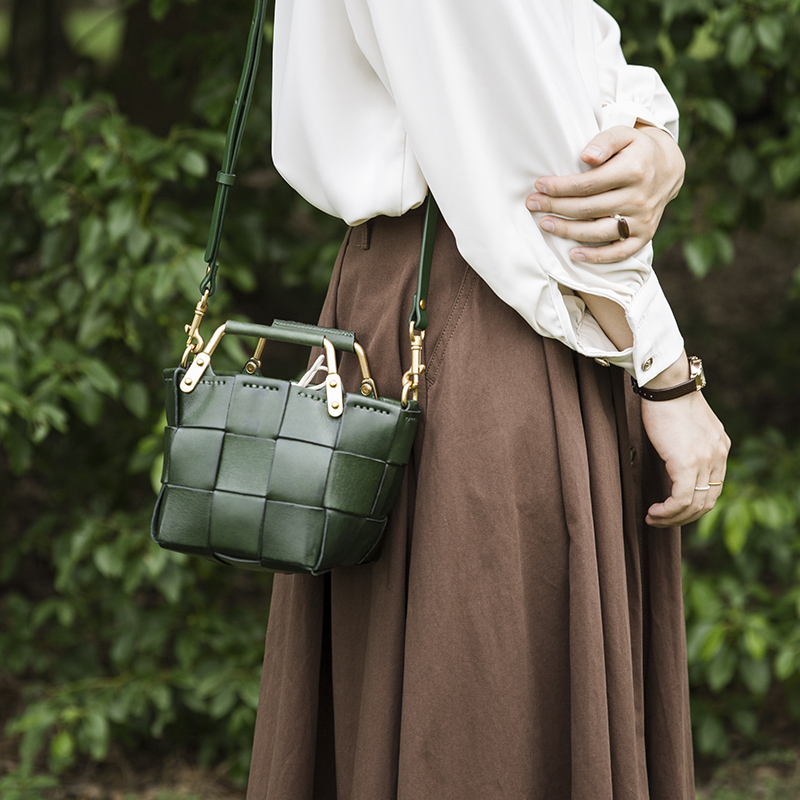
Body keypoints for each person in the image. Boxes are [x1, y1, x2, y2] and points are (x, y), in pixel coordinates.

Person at [246, 2, 730, 798]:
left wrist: (651, 132)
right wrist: (667, 370)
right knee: (485, 707)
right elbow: (552, 185)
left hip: (443, 305)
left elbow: (564, 45)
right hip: (487, 319)